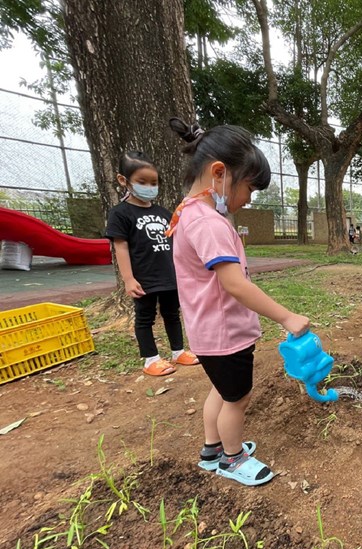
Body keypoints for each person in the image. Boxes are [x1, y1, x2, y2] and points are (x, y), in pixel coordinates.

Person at [166, 118, 310, 487]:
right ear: (220, 173)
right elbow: (234, 285)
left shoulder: (191, 213)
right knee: (238, 399)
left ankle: (211, 450)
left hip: (208, 332)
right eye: (248, 188)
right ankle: (233, 458)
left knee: (222, 390)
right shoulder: (209, 224)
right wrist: (287, 316)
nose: (248, 200)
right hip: (225, 332)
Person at [105, 151, 199, 377]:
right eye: (142, 182)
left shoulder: (164, 213)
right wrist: (128, 279)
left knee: (172, 314)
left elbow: (176, 242)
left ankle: (178, 352)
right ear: (123, 180)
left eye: (153, 182)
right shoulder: (120, 213)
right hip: (144, 277)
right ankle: (151, 359)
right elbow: (121, 247)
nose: (149, 187)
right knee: (145, 317)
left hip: (169, 274)